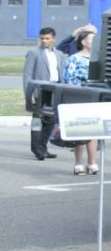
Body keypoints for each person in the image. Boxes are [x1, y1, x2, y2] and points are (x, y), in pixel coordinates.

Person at [22, 27, 62, 161]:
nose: (44, 40)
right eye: (42, 38)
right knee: (37, 121)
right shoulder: (33, 53)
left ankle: (43, 147)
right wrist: (29, 94)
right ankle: (36, 149)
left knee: (50, 122)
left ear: (53, 39)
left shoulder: (58, 54)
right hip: (39, 92)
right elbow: (27, 75)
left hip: (55, 90)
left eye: (47, 38)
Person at [62, 31, 98, 174]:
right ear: (83, 42)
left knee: (94, 131)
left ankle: (92, 163)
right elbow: (68, 80)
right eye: (91, 39)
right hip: (78, 99)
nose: (94, 42)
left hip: (93, 99)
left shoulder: (98, 59)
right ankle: (78, 163)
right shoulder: (74, 59)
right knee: (79, 132)